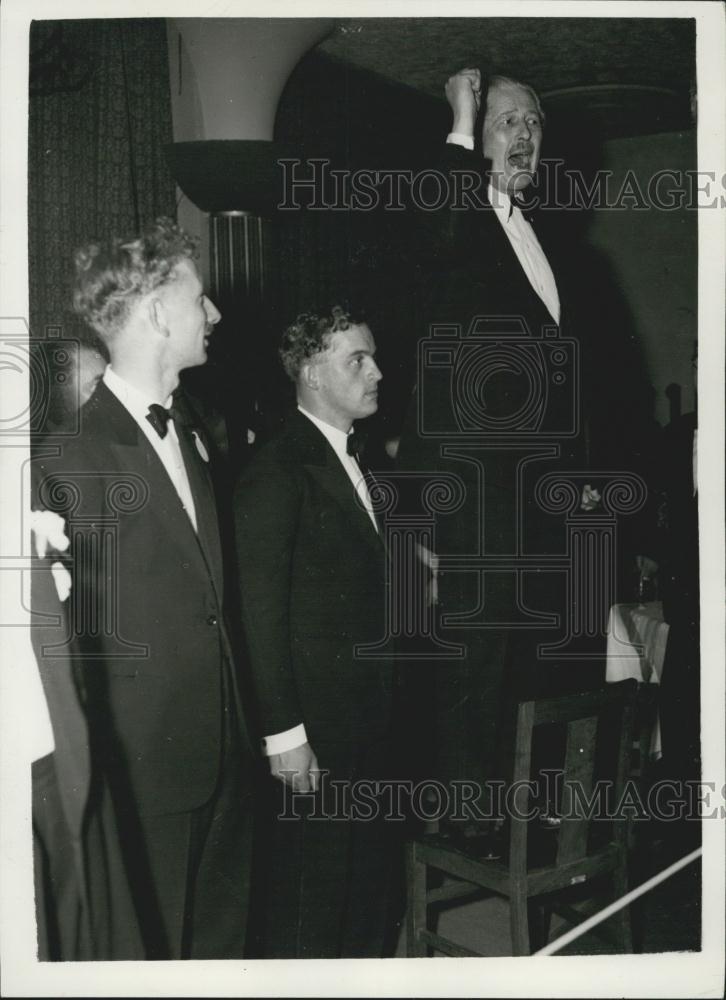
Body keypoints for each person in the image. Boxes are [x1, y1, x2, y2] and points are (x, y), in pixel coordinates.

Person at [31, 218, 254, 960]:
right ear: (159, 313)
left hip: (224, 748)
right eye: (200, 299)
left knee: (219, 950)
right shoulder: (70, 457)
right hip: (144, 775)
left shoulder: (190, 434)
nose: (214, 314)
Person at [396, 68, 598, 837]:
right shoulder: (457, 220)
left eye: (534, 125)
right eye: (508, 122)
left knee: (530, 667)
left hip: (536, 499)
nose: (526, 136)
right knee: (473, 672)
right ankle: (465, 828)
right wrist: (458, 119)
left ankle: (516, 825)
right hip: (473, 497)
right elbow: (443, 224)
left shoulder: (542, 239)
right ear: (479, 140)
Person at [234, 306, 399, 958]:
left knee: (368, 899)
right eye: (357, 359)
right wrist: (286, 736)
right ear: (310, 374)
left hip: (370, 723)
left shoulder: (353, 461)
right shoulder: (277, 469)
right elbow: (260, 613)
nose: (378, 371)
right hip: (318, 736)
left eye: (374, 355)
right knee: (313, 909)